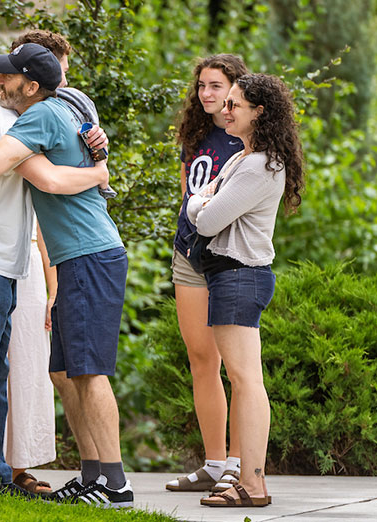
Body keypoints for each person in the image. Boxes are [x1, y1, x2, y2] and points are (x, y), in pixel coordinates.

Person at [0, 45, 134, 510]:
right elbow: (75, 164)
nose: (0, 83)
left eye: (9, 77)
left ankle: (115, 486)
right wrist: (98, 170)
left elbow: (4, 168)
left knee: (89, 370)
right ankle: (93, 475)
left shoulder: (38, 116)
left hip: (87, 254)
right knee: (64, 369)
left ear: (31, 86)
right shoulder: (73, 104)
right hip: (83, 255)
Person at [187, 73, 304, 507]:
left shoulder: (258, 165)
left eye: (236, 104)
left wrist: (201, 201)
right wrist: (204, 200)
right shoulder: (243, 157)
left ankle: (252, 484)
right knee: (243, 379)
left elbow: (204, 217)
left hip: (240, 275)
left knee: (246, 381)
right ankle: (249, 482)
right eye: (227, 101)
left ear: (261, 112)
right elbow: (204, 201)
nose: (226, 109)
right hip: (230, 276)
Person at [166, 54, 249, 494]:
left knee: (239, 368)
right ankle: (214, 463)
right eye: (201, 86)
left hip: (229, 259)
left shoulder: (248, 138)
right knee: (202, 360)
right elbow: (187, 193)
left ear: (237, 88)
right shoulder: (196, 133)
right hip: (189, 254)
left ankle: (240, 464)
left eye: (216, 86)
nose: (207, 94)